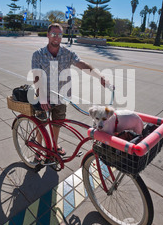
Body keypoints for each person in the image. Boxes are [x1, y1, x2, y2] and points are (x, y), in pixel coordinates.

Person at [31, 23, 110, 155]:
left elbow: (82, 64)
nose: (56, 37)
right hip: (44, 96)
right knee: (41, 125)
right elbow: (36, 76)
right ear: (48, 35)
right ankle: (39, 149)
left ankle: (54, 146)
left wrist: (99, 76)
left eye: (60, 34)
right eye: (54, 34)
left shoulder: (67, 53)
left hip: (61, 97)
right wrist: (42, 97)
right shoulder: (38, 55)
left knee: (57, 123)